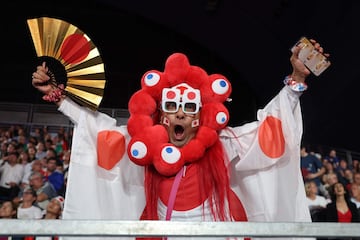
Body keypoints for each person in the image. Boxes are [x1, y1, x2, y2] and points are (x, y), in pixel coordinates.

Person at [32, 39, 328, 240]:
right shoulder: (146, 148)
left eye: (189, 109)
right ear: (163, 117)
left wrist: (296, 80)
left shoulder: (223, 143)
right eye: (173, 108)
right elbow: (98, 129)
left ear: (199, 117)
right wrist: (57, 98)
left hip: (212, 233)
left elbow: (269, 130)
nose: (181, 116)